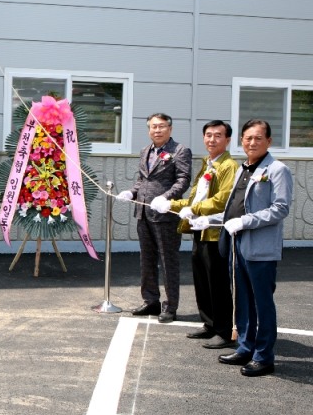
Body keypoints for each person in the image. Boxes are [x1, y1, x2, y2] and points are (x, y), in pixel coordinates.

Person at [193, 119, 292, 377]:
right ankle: (245, 347)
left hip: (260, 249)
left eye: (258, 138)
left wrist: (245, 221)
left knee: (262, 304)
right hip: (237, 245)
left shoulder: (277, 169)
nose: (252, 142)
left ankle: (264, 357)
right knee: (243, 302)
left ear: (269, 142)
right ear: (241, 141)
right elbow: (234, 208)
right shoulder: (243, 169)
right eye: (248, 138)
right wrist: (212, 220)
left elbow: (280, 208)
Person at [151, 120, 238, 348]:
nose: (212, 139)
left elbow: (222, 200)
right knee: (202, 280)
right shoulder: (208, 164)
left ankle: (223, 330)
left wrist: (194, 209)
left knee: (218, 282)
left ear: (227, 140)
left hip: (215, 231)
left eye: (218, 136)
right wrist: (170, 204)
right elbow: (194, 199)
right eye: (208, 135)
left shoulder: (229, 166)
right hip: (199, 230)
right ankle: (209, 324)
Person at [116, 113, 192, 323]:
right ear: (148, 129)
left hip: (165, 214)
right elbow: (142, 179)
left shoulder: (179, 150)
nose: (157, 130)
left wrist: (166, 197)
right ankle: (151, 301)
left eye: (161, 126)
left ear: (170, 128)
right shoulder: (145, 151)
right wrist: (132, 192)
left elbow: (183, 180)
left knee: (168, 262)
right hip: (143, 213)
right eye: (153, 127)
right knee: (146, 260)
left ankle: (170, 306)